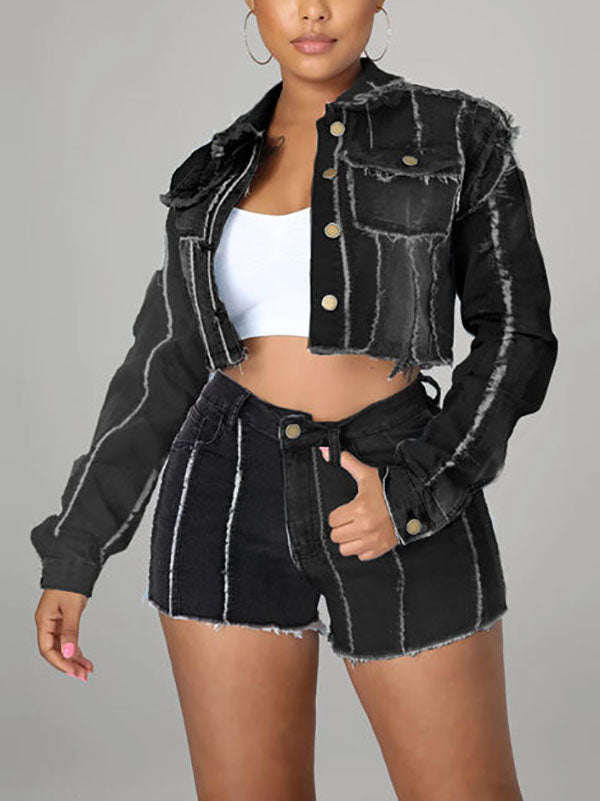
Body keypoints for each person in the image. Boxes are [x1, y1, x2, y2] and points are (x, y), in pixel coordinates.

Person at [31, 1, 558, 798]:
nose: (312, 9)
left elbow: (517, 332)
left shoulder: (457, 136)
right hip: (224, 490)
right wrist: (76, 554)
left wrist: (416, 490)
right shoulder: (213, 174)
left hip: (395, 472)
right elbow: (161, 369)